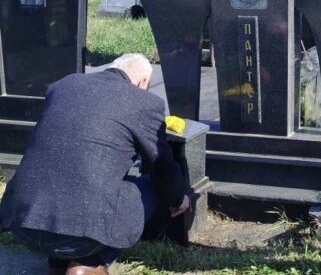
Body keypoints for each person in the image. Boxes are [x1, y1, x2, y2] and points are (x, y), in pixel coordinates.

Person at [0, 53, 190, 274]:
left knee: (74, 181)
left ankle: (59, 262)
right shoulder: (143, 102)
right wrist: (178, 198)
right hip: (82, 237)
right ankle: (88, 265)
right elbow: (162, 165)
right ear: (142, 82)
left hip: (23, 226)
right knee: (152, 186)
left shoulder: (63, 86)